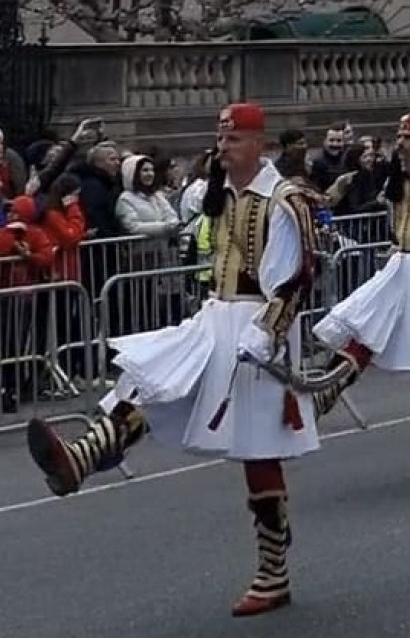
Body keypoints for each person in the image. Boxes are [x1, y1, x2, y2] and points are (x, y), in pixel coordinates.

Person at [24, 103, 320, 617]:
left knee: (258, 453)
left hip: (254, 327)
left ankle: (273, 570)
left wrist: (269, 333)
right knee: (150, 377)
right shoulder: (221, 193)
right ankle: (82, 458)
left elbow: (296, 277)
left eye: (232, 140)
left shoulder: (283, 198)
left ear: (258, 143)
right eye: (220, 139)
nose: (222, 147)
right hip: (216, 315)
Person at [310, 112, 410, 482]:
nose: (400, 143)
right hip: (398, 265)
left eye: (409, 137)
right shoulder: (396, 177)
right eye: (399, 136)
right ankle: (325, 391)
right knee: (365, 326)